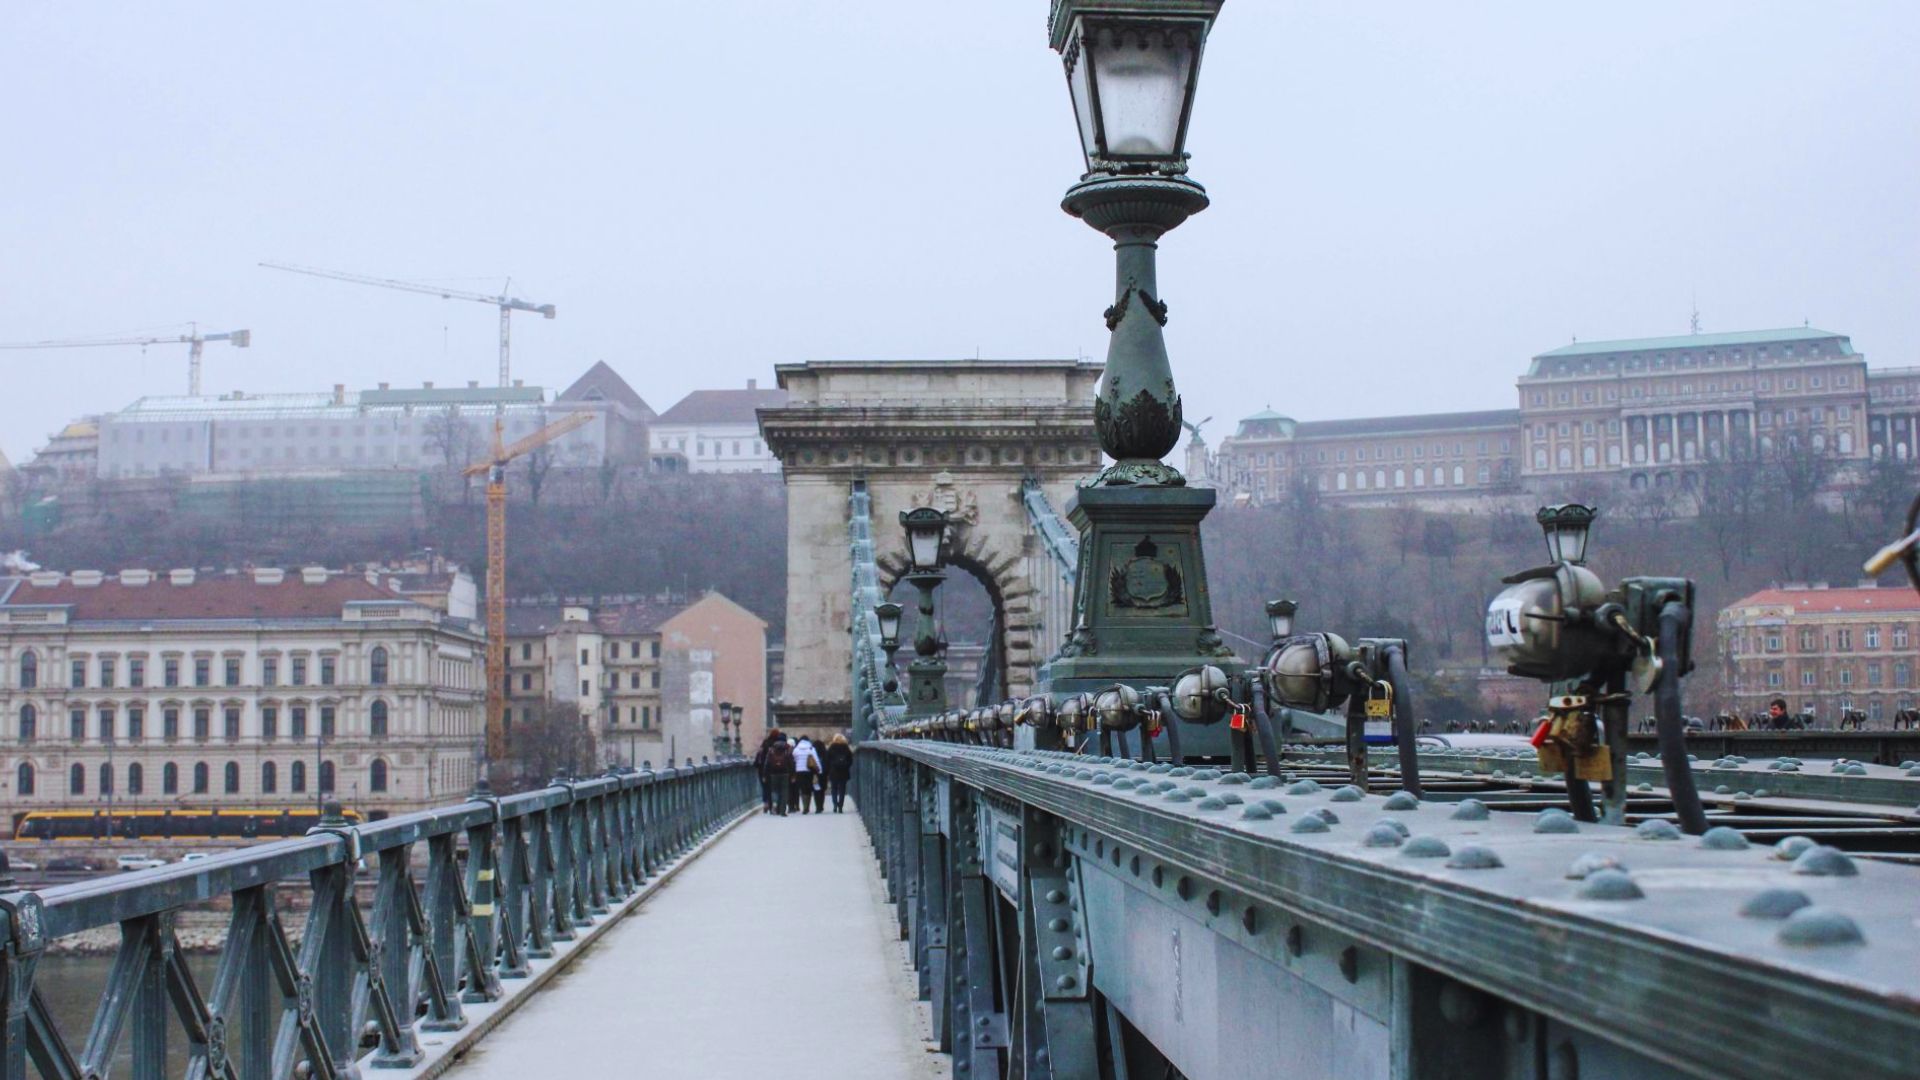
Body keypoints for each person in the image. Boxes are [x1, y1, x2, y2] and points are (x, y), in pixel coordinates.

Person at [752, 729, 786, 813]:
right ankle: (775, 805)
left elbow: (759, 756)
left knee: (765, 787)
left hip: (763, 769)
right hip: (775, 769)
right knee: (774, 788)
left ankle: (766, 803)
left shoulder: (765, 743)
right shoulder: (779, 744)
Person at [762, 732, 794, 816]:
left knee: (774, 790)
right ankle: (782, 811)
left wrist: (765, 774)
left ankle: (775, 804)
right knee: (784, 791)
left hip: (773, 773)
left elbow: (767, 763)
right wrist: (793, 774)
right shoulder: (788, 748)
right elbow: (791, 762)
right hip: (785, 772)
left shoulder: (772, 749)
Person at [824, 733, 854, 813]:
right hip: (843, 771)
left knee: (834, 789)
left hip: (833, 771)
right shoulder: (846, 748)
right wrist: (846, 766)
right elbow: (850, 760)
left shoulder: (831, 748)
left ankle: (835, 805)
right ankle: (840, 806)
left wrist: (828, 769)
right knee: (842, 789)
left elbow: (827, 760)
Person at [791, 736, 821, 815]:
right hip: (809, 771)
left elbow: (794, 759)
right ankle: (807, 806)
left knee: (803, 789)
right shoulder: (811, 749)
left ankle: (805, 807)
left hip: (799, 771)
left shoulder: (796, 750)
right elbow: (816, 759)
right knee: (809, 788)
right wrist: (819, 770)